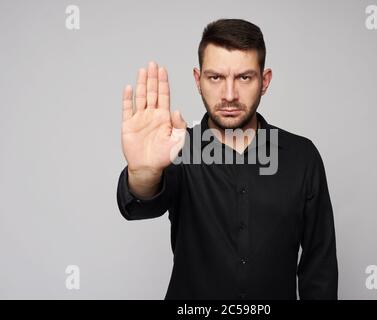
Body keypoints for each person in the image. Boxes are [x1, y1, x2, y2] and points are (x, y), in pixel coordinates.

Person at [116, 18, 338, 300]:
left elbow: (321, 268)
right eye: (216, 77)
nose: (230, 95)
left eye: (244, 77)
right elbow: (140, 205)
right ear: (198, 80)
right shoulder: (177, 148)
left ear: (265, 81)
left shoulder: (302, 157)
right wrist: (144, 172)